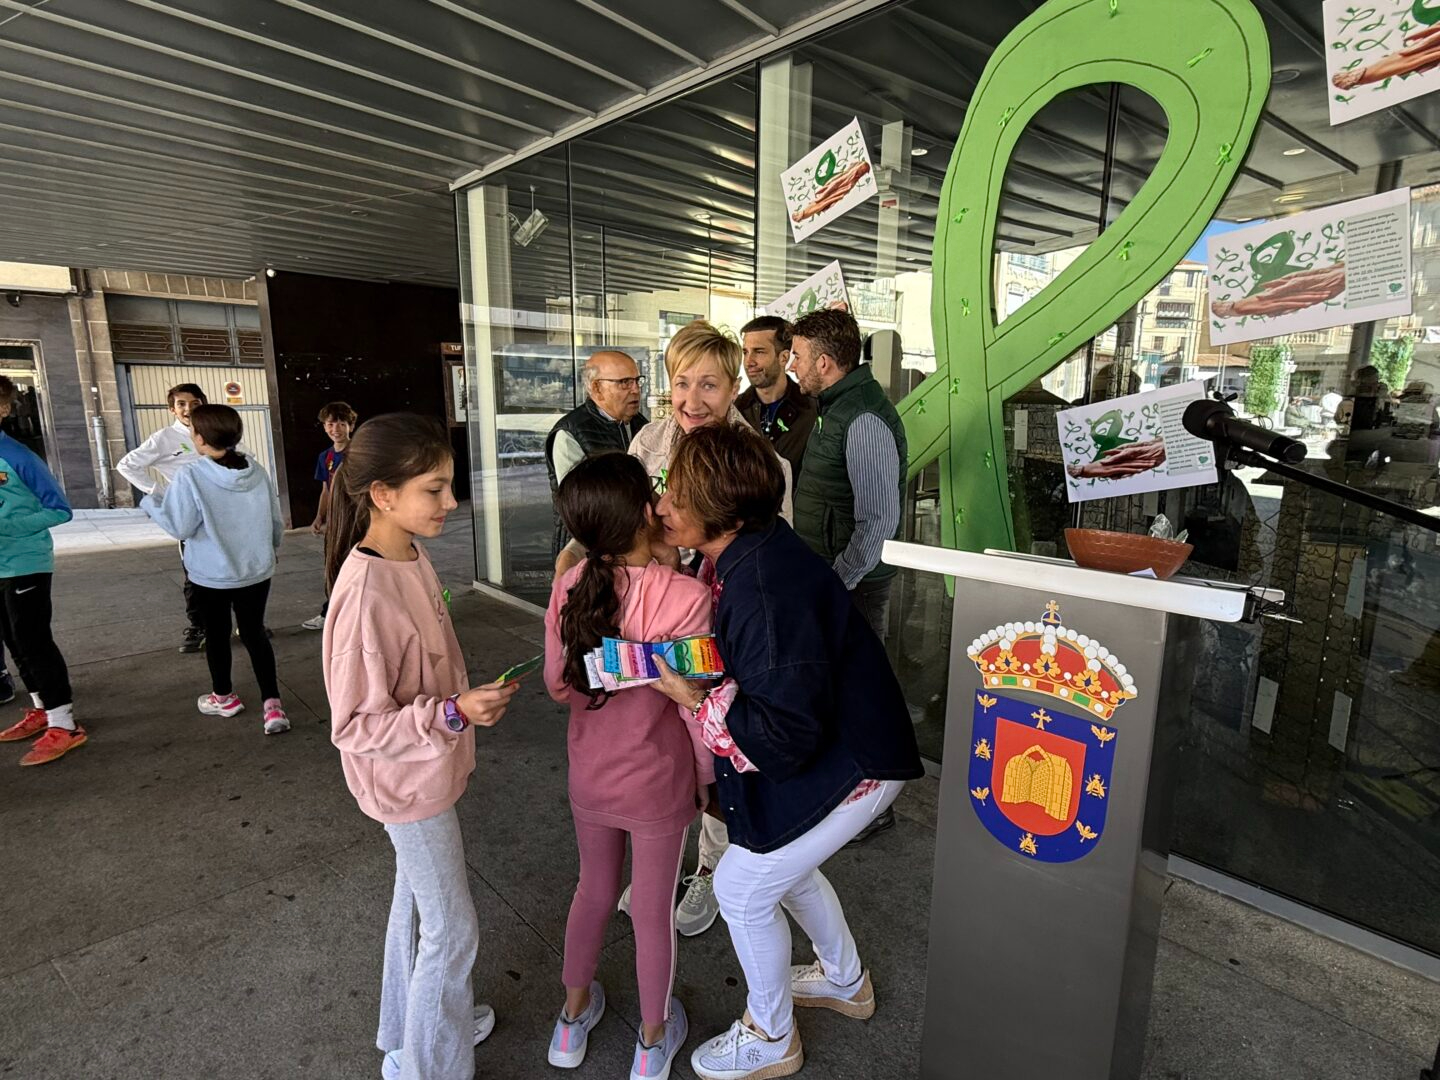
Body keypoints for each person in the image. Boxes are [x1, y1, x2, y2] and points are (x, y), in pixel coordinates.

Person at [648, 424, 923, 1080]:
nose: (661, 507)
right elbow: (763, 672)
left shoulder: (764, 586)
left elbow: (783, 736)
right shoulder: (747, 553)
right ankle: (844, 980)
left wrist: (690, 699)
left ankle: (772, 1036)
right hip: (847, 739)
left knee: (743, 886)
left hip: (855, 760)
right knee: (782, 866)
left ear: (724, 510)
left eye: (676, 496)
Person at [557, 320, 795, 938]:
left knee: (716, 735)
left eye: (710, 385)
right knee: (665, 735)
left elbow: (765, 549)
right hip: (659, 612)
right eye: (681, 382)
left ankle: (712, 867)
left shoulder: (755, 459)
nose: (693, 400)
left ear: (734, 384)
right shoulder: (649, 443)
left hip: (721, 615)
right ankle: (665, 847)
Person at [323, 413, 519, 1080]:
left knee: (419, 903)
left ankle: (416, 1026)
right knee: (450, 929)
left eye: (450, 486)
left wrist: (458, 711)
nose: (451, 503)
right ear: (383, 494)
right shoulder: (366, 590)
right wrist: (451, 713)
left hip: (428, 769)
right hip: (408, 785)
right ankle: (434, 1063)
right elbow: (354, 727)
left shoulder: (409, 551)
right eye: (434, 489)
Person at [543, 452, 713, 1078]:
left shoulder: (571, 584)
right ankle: (651, 1040)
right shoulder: (689, 597)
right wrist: (704, 779)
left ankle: (570, 1021)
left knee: (592, 890)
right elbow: (698, 707)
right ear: (647, 513)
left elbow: (559, 687)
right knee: (651, 909)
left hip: (590, 774)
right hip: (659, 783)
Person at [141, 405, 290, 735]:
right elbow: (275, 521)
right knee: (254, 633)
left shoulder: (192, 475)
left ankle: (224, 697)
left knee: (218, 636)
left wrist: (151, 503)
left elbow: (180, 526)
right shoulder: (256, 470)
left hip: (212, 575)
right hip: (256, 571)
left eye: (193, 430)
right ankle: (273, 706)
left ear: (202, 438)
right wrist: (267, 553)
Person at [788, 309, 907, 642]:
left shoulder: (862, 417)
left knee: (864, 680)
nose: (792, 365)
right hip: (837, 576)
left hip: (856, 586)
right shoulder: (836, 406)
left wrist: (839, 579)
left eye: (798, 356)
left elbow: (879, 519)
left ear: (823, 363)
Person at [0, 376, 84, 766]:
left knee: (34, 641)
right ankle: (41, 709)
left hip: (25, 562)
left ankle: (64, 724)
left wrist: (6, 526)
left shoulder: (19, 457)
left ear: (3, 409)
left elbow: (60, 509)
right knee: (14, 641)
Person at [117, 382, 210, 653]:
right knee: (195, 572)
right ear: (172, 409)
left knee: (235, 566)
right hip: (190, 516)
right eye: (181, 404)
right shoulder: (164, 438)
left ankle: (246, 622)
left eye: (194, 403)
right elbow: (127, 465)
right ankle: (199, 626)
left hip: (224, 511)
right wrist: (159, 491)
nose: (188, 409)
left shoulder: (214, 430)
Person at [545, 351, 649, 558]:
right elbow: (579, 507)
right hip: (590, 552)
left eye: (637, 381)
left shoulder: (643, 425)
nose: (636, 390)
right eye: (625, 383)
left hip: (636, 544)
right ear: (596, 388)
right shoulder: (571, 432)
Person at [737, 316, 817, 481]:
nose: (749, 362)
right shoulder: (734, 410)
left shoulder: (813, 411)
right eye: (745, 352)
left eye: (759, 351)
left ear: (784, 358)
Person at [302, 401, 358, 632]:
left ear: (351, 426)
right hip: (335, 522)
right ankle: (333, 612)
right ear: (324, 427)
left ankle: (354, 613)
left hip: (356, 519)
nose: (336, 428)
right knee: (333, 565)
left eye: (342, 423)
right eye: (330, 424)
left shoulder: (359, 453)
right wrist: (319, 517)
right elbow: (326, 489)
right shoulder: (325, 457)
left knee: (355, 565)